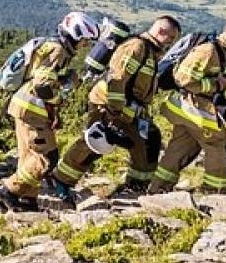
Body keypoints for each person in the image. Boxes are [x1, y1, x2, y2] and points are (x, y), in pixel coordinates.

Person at [52, 16, 181, 195]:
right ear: (160, 32)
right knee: (95, 144)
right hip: (108, 105)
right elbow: (117, 79)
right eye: (171, 38)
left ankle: (137, 186)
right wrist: (114, 111)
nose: (171, 43)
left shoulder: (150, 51)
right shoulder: (136, 47)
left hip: (129, 109)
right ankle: (61, 180)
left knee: (146, 142)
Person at [0, 11, 101, 212]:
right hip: (32, 108)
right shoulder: (57, 50)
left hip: (25, 105)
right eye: (85, 40)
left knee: (29, 156)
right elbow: (42, 84)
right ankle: (8, 191)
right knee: (46, 158)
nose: (85, 46)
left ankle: (27, 199)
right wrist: (58, 98)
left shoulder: (51, 45)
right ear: (75, 35)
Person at [148, 16, 226, 195]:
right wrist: (216, 84)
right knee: (221, 144)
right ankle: (214, 190)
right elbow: (183, 79)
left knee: (182, 147)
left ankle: (158, 187)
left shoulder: (225, 52)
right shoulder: (208, 51)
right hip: (193, 107)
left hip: (186, 109)